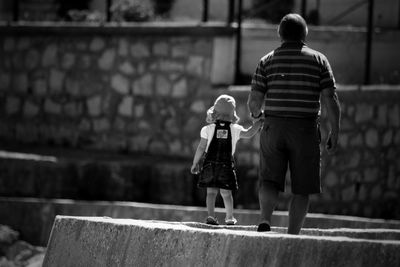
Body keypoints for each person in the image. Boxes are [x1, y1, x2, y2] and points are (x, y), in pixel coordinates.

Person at [247, 13, 341, 234]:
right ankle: (292, 234)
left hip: (273, 127)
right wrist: (335, 131)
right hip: (305, 130)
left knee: (269, 180)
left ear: (279, 34)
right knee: (302, 187)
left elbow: (254, 100)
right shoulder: (319, 60)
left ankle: (265, 219)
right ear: (305, 33)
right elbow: (330, 98)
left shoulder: (266, 60)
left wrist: (256, 115)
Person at [191, 94, 263, 225]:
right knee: (226, 194)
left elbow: (201, 147)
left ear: (214, 113)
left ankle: (211, 216)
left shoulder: (207, 129)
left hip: (209, 165)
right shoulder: (234, 129)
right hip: (226, 166)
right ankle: (229, 217)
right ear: (232, 114)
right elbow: (249, 133)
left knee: (211, 193)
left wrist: (195, 162)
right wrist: (259, 123)